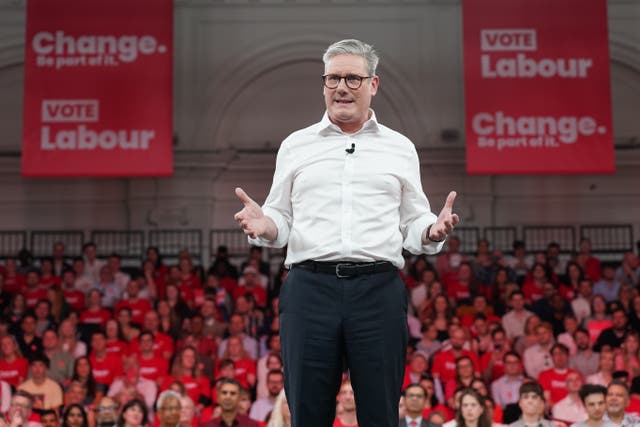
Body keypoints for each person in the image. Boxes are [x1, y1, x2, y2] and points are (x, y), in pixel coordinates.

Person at [232, 38, 459, 427]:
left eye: (353, 79)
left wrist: (432, 231)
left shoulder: (400, 148)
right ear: (323, 85)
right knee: (307, 411)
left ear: (373, 85)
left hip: (377, 291)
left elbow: (414, 222)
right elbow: (279, 220)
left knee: (380, 412)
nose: (341, 87)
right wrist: (265, 225)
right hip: (309, 289)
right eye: (333, 78)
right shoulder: (295, 146)